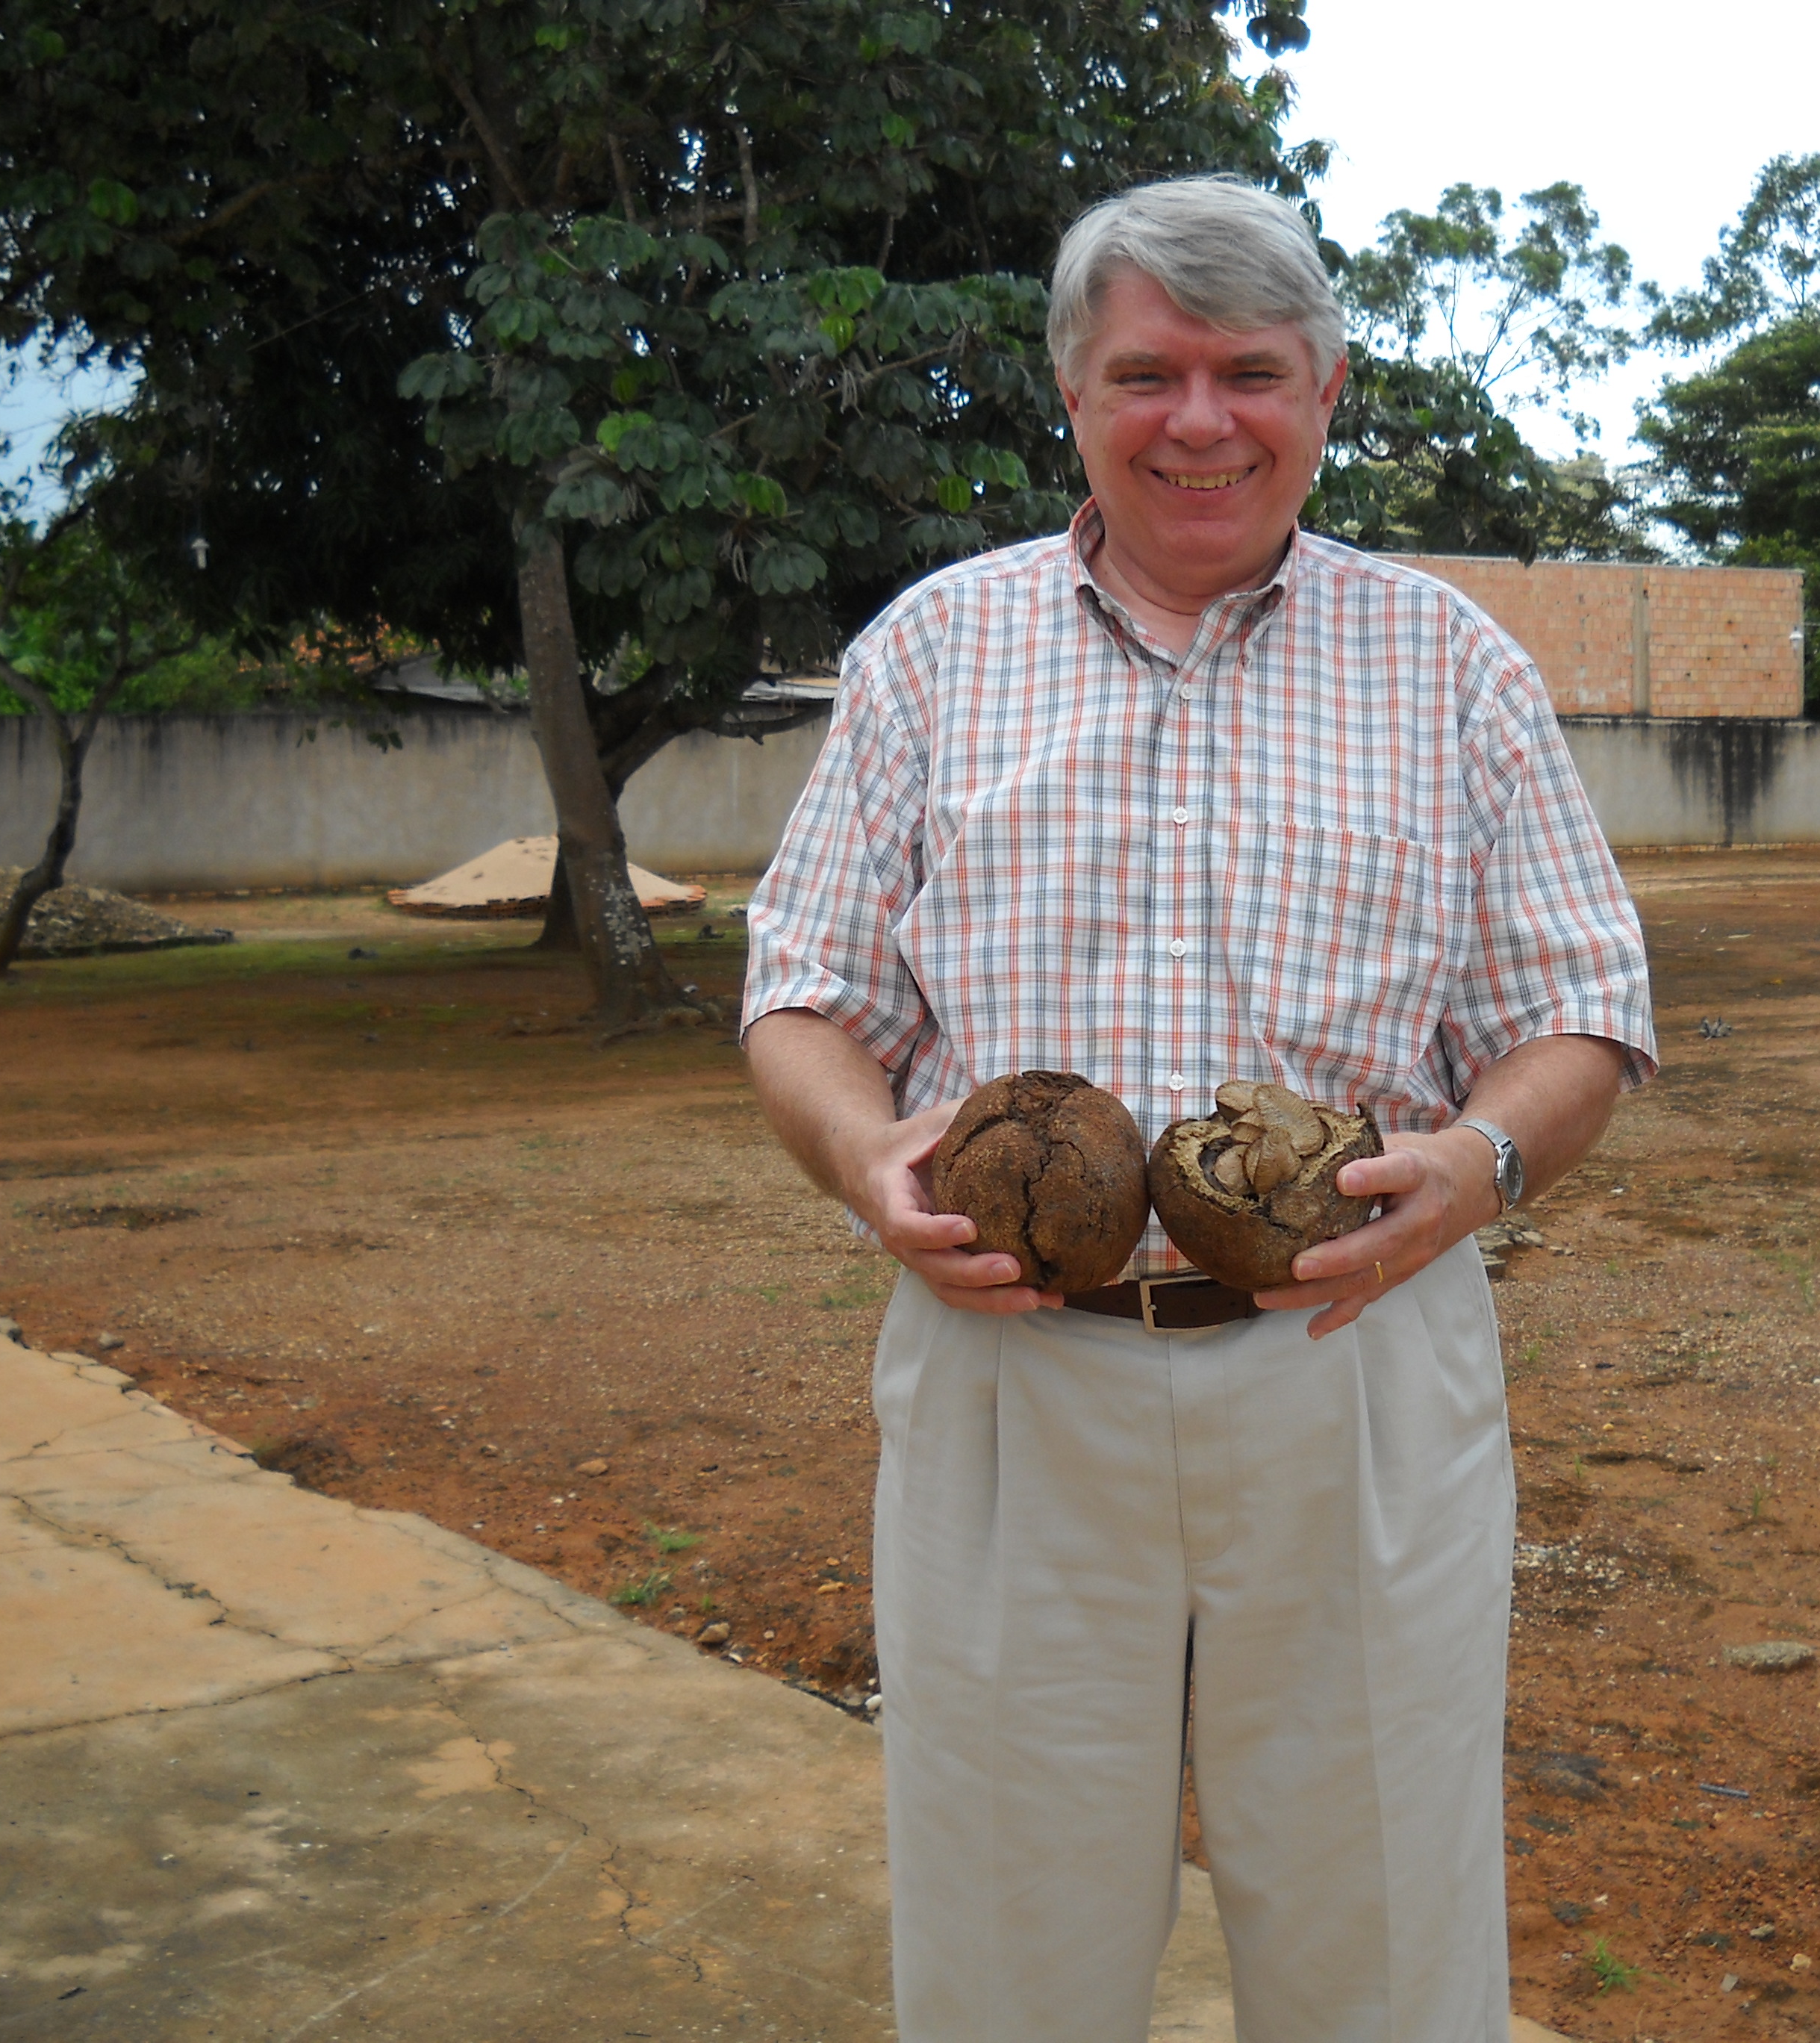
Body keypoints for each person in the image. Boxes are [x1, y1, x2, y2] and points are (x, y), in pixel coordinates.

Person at [741, 173, 1654, 2043]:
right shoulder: (932, 654)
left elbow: (1584, 1008)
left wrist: (1480, 1163)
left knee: (1382, 1932)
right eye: (1148, 372)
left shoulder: (1450, 667)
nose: (1201, 421)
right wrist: (863, 1152)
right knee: (1008, 1940)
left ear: (1326, 392)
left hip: (1352, 1363)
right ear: (1073, 394)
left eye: (1252, 371)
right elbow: (803, 995)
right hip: (1010, 1372)